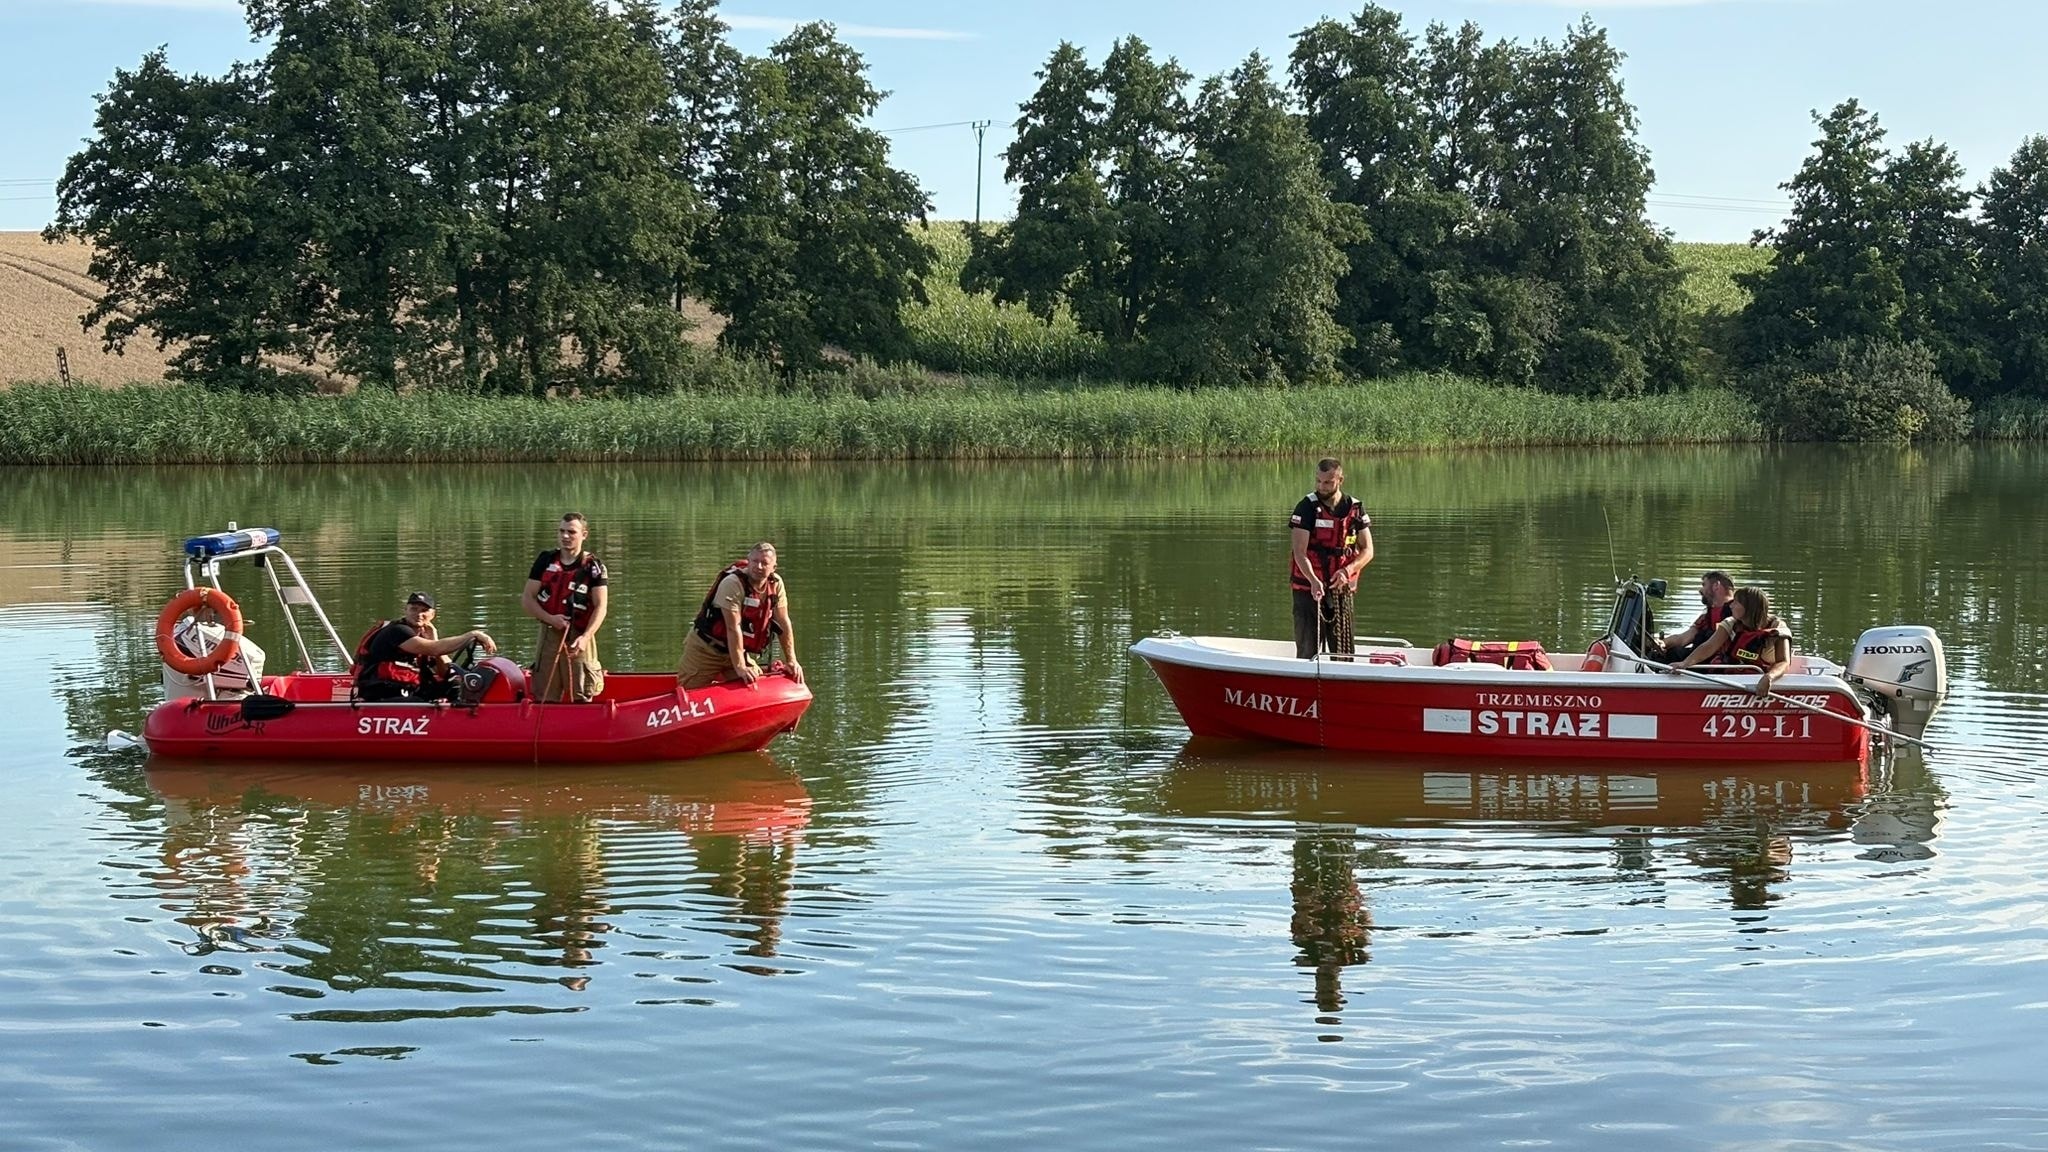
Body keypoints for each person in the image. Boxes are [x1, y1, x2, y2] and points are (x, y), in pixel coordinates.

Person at [678, 542, 805, 689]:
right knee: (689, 692)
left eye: (764, 563)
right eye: (755, 561)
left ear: (773, 568)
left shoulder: (775, 584)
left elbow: (783, 621)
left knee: (755, 686)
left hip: (738, 651)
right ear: (748, 561)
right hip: (706, 648)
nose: (758, 567)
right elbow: (733, 627)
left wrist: (792, 660)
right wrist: (740, 667)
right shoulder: (732, 584)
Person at [1289, 457, 1374, 660]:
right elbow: (1299, 552)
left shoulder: (1355, 508)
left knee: (1344, 653)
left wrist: (1347, 571)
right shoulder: (1306, 508)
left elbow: (1368, 550)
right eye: (1318, 481)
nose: (1321, 486)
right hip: (1309, 590)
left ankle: (1343, 686)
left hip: (1341, 588)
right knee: (1308, 651)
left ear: (1340, 480)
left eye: (1327, 482)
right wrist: (1313, 580)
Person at [522, 512, 608, 703]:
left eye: (571, 532)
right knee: (545, 690)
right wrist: (550, 619)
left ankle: (584, 721)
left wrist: (586, 638)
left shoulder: (594, 567)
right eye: (561, 531)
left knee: (582, 689)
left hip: (580, 635)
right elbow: (527, 599)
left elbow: (601, 606)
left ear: (584, 535)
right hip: (550, 631)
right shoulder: (545, 560)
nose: (565, 536)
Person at [354, 592, 498, 702]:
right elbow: (434, 648)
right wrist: (472, 634)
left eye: (424, 610)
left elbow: (444, 672)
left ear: (433, 614)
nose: (419, 614)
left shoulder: (424, 637)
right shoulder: (397, 631)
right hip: (382, 693)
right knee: (420, 702)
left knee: (453, 685)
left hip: (408, 690)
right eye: (414, 609)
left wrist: (434, 637)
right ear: (406, 610)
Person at [1667, 585, 1792, 697]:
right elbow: (1709, 646)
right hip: (1734, 678)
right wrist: (1685, 663)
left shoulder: (1778, 627)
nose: (1731, 605)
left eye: (1736, 603)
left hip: (1761, 677)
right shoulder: (1731, 623)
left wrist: (1769, 677)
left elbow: (1783, 662)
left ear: (1748, 607)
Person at [1651, 570, 1737, 662]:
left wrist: (1685, 663)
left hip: (1718, 665)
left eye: (1704, 585)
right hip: (1702, 660)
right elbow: (1683, 638)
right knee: (1672, 652)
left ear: (1716, 585)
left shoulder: (1737, 612)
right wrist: (1663, 642)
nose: (1700, 590)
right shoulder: (1707, 616)